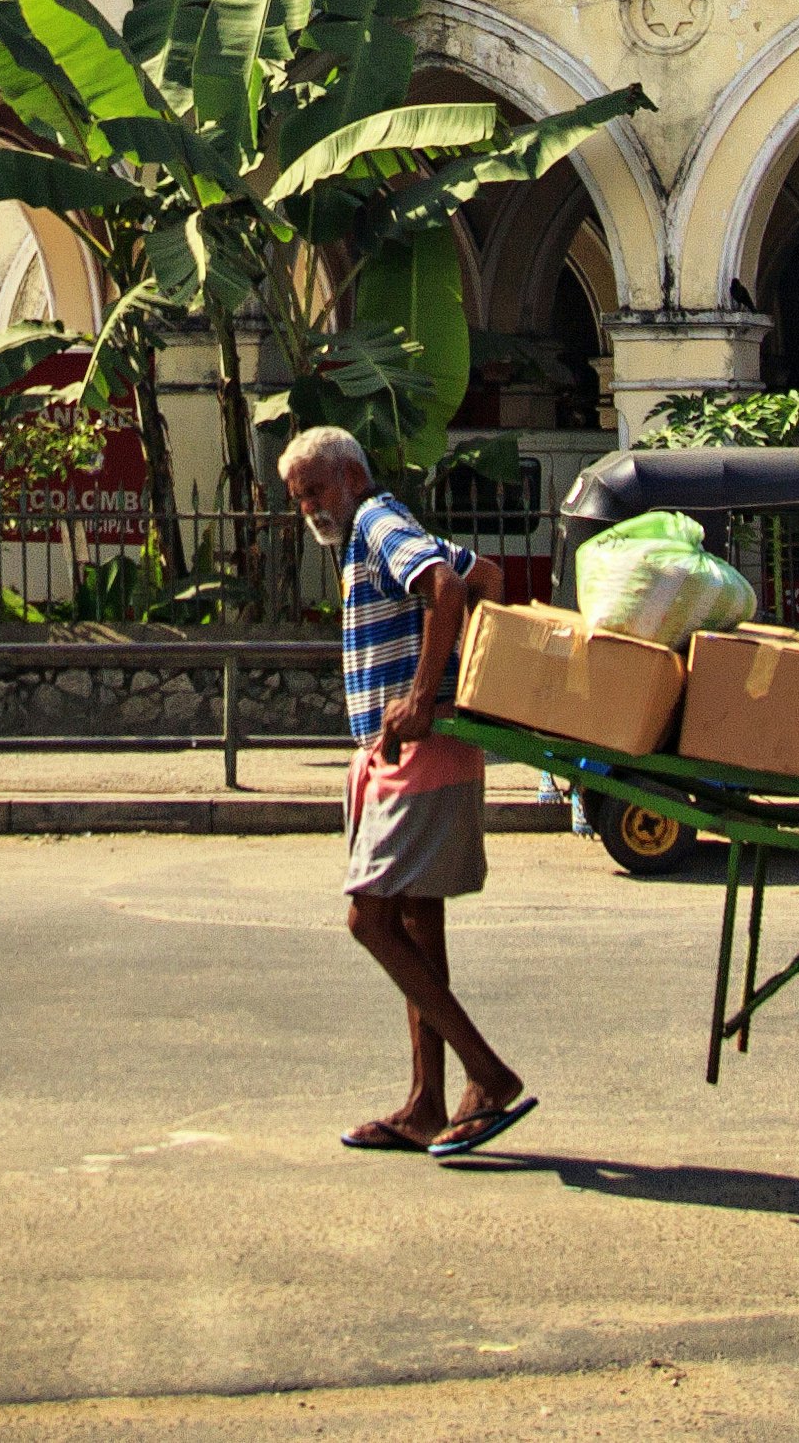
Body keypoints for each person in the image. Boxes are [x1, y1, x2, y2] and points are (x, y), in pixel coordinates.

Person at [280, 425, 532, 1162]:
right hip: (405, 751)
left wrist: (424, 694)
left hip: (415, 751)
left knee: (370, 920)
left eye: (316, 489)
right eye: (299, 498)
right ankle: (425, 1103)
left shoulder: (375, 520)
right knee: (417, 926)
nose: (310, 507)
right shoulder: (375, 528)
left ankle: (487, 1075)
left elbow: (447, 585)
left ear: (352, 475)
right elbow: (484, 573)